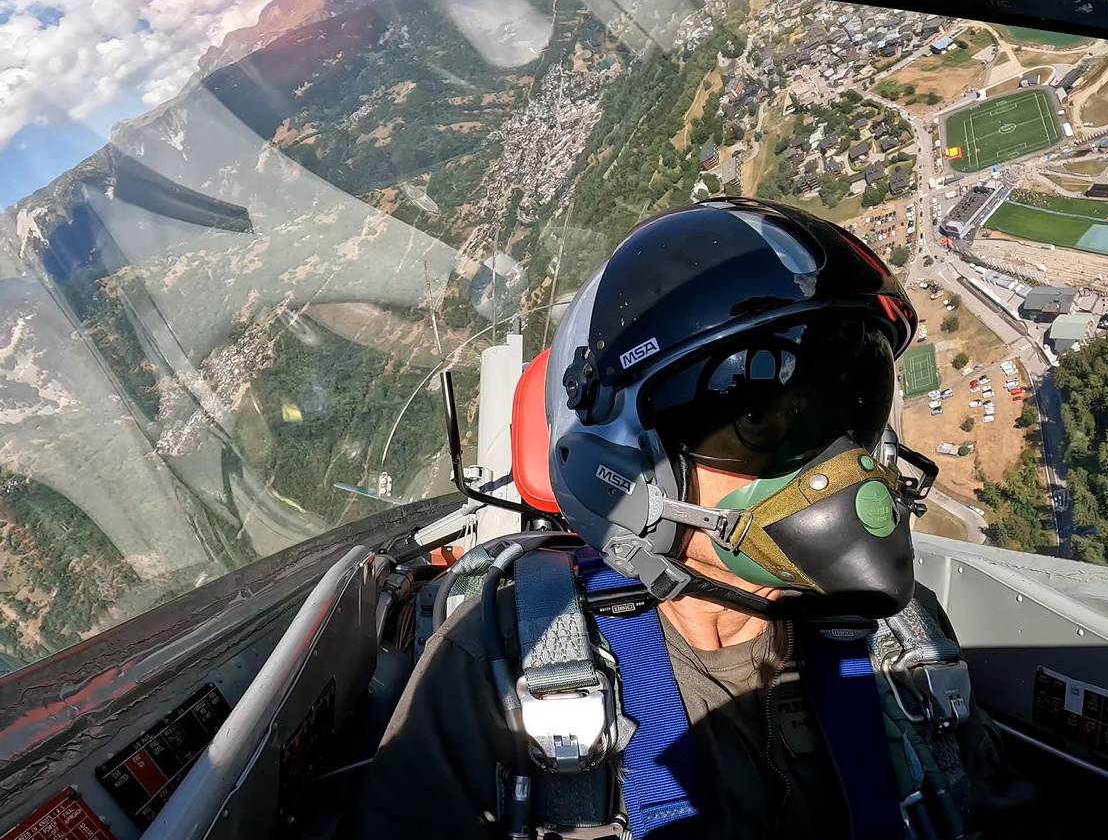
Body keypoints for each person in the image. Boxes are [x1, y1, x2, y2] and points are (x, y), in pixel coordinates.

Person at [356, 198, 986, 839]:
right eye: (758, 418)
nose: (841, 464)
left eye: (854, 401)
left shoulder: (904, 645)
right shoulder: (502, 666)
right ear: (629, 467)